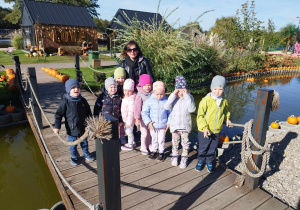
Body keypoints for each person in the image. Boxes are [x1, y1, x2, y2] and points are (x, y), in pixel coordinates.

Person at [54, 79, 95, 166]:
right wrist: (57, 126)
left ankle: (86, 153)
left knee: (84, 142)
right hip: (71, 129)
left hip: (83, 128)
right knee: (73, 146)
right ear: (69, 90)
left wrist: (91, 123)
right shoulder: (65, 101)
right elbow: (58, 114)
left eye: (77, 87)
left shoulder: (83, 100)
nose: (76, 89)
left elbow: (88, 112)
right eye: (73, 88)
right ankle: (74, 156)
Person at [195, 75, 231, 173]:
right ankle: (200, 161)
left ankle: (209, 161)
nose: (217, 91)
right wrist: (204, 128)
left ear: (223, 90)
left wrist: (227, 118)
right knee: (203, 148)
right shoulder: (205, 101)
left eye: (220, 89)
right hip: (204, 130)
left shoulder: (223, 101)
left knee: (212, 148)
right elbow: (200, 116)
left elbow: (225, 111)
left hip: (216, 130)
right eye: (215, 89)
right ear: (211, 88)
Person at [164, 75, 196, 169]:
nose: (181, 93)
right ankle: (175, 156)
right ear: (175, 90)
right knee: (175, 142)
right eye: (179, 91)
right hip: (175, 125)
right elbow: (166, 107)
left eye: (183, 90)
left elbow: (192, 109)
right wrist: (173, 94)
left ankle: (184, 157)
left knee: (185, 143)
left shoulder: (189, 97)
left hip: (185, 126)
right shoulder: (173, 98)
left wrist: (186, 96)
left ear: (186, 89)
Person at [141, 81, 170, 161]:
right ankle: (154, 151)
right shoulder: (149, 101)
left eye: (161, 94)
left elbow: (170, 113)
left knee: (161, 139)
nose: (159, 96)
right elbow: (144, 113)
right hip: (153, 125)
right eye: (157, 94)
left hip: (162, 125)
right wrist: (148, 122)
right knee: (154, 139)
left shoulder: (166, 101)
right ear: (153, 92)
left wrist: (168, 122)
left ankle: (161, 152)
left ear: (164, 92)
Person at [93, 77, 123, 143]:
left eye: (115, 87)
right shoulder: (102, 97)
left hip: (115, 119)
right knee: (106, 132)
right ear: (107, 88)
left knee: (114, 132)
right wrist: (96, 117)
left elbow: (121, 109)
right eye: (111, 87)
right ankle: (106, 143)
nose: (113, 89)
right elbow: (96, 108)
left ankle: (115, 143)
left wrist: (120, 120)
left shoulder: (118, 97)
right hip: (105, 120)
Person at [134, 74, 153, 155]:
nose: (147, 87)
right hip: (142, 118)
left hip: (151, 117)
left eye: (149, 85)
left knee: (149, 132)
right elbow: (137, 108)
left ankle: (148, 144)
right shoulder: (140, 95)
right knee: (144, 132)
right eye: (145, 85)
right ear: (142, 85)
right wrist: (137, 118)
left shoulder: (153, 93)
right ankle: (143, 146)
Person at [121, 79, 137, 150]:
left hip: (129, 119)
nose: (127, 92)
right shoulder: (126, 97)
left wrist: (129, 122)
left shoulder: (131, 100)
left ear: (132, 91)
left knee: (128, 131)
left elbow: (131, 112)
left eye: (129, 91)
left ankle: (130, 144)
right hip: (125, 118)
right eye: (125, 90)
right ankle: (132, 142)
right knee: (128, 131)